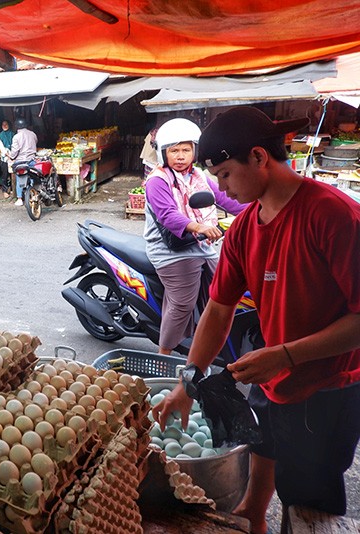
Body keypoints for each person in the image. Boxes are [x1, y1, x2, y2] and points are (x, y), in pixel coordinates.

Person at [152, 107, 360, 534]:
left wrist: (285, 355)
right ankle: (252, 512)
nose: (221, 186)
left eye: (225, 174)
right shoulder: (246, 226)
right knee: (262, 444)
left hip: (326, 387)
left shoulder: (332, 215)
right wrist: (186, 383)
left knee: (307, 501)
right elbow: (218, 308)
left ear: (260, 158)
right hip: (274, 371)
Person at [144, 118, 245, 356]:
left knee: (223, 294)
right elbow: (168, 215)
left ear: (194, 151)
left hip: (202, 244)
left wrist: (257, 208)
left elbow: (224, 198)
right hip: (171, 250)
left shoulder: (198, 176)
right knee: (182, 304)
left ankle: (209, 346)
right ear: (163, 153)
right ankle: (163, 355)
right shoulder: (157, 181)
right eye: (174, 150)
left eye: (186, 150)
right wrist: (198, 227)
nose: (180, 156)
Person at [8, 117, 37, 206]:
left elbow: (14, 151)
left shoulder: (16, 137)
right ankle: (33, 194)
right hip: (31, 160)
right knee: (32, 177)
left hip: (20, 162)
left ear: (16, 126)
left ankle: (20, 198)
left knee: (19, 179)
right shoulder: (32, 134)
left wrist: (11, 156)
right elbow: (35, 143)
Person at [0, 120, 15, 196]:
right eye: (3, 124)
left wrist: (13, 155)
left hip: (14, 157)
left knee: (14, 174)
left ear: (9, 125)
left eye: (6, 124)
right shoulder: (0, 136)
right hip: (5, 158)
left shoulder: (13, 134)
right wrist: (8, 156)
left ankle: (12, 189)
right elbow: (2, 149)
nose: (4, 126)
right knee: (5, 175)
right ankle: (5, 191)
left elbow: (15, 145)